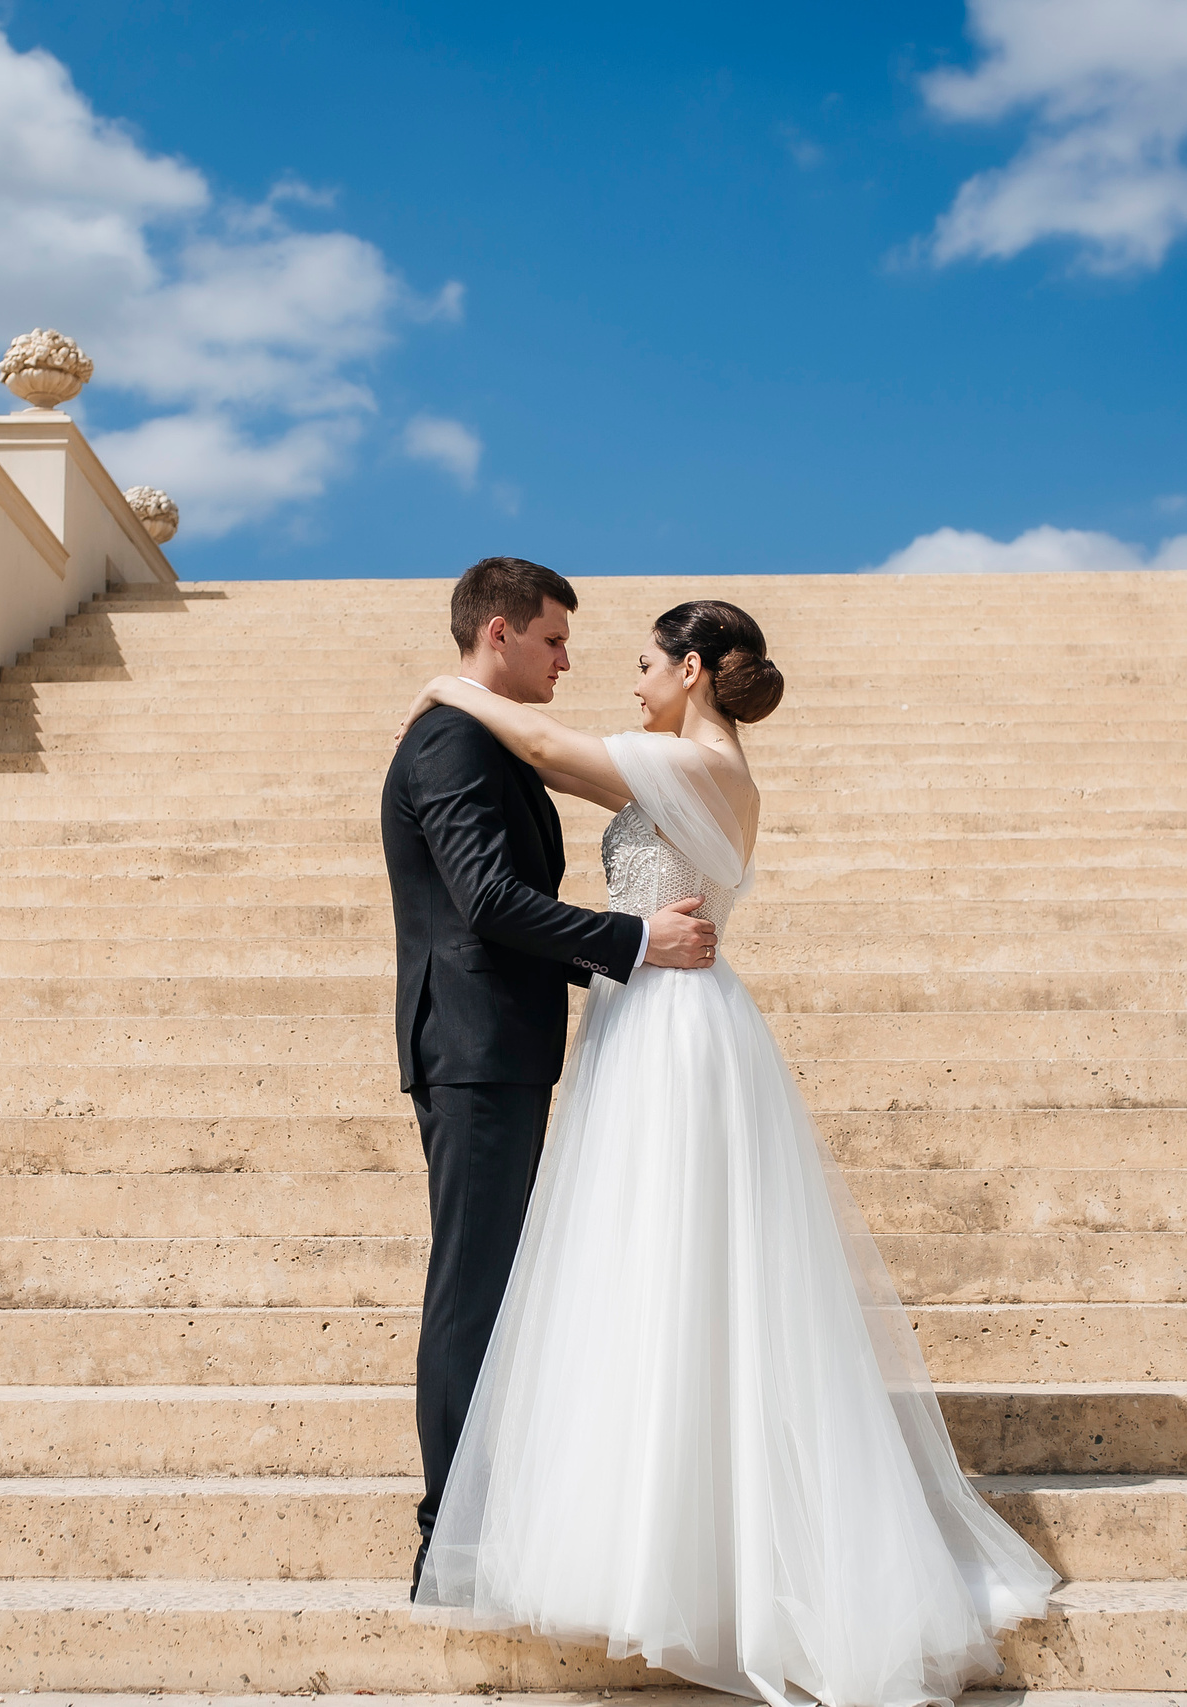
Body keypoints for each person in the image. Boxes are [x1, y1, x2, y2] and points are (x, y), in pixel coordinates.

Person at [396, 598, 1058, 1707]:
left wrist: (451, 687)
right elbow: (557, 770)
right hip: (651, 1009)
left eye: (646, 663)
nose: (630, 680)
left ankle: (692, 1559)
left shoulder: (691, 764)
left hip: (672, 1025)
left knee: (673, 1264)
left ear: (693, 670)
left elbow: (553, 749)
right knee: (652, 1268)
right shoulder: (691, 768)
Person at [379, 557, 721, 1597]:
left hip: (501, 1048)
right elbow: (485, 899)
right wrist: (633, 942)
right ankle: (449, 1542)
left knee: (493, 1285)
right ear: (497, 634)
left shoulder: (482, 738)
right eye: (554, 640)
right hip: (475, 1052)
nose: (569, 660)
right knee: (473, 1290)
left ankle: (487, 1517)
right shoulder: (450, 741)